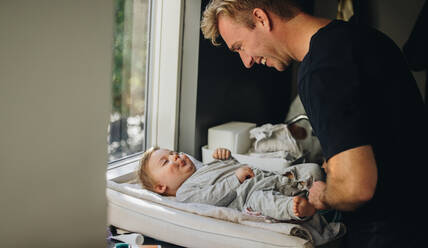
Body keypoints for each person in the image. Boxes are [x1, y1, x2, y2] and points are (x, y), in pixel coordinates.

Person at [200, 1, 427, 247]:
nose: (246, 61)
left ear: (261, 18)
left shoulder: (320, 70)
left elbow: (355, 187)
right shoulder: (364, 37)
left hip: (389, 233)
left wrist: (325, 195)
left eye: (240, 46)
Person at [138, 146, 324, 221]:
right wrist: (235, 178)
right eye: (166, 161)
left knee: (313, 170)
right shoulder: (184, 193)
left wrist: (226, 157)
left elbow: (237, 166)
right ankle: (298, 210)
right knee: (265, 201)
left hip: (268, 178)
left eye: (173, 152)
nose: (175, 156)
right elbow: (210, 199)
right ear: (161, 187)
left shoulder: (204, 168)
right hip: (248, 196)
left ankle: (321, 193)